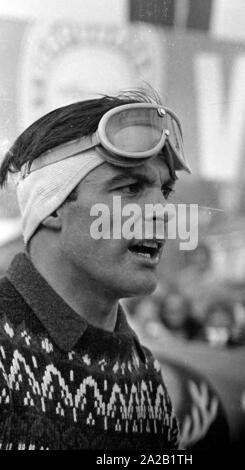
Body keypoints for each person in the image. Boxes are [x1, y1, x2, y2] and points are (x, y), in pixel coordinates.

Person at [0, 91, 191, 450]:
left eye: (164, 190)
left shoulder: (144, 375)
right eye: (130, 187)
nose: (162, 211)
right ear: (54, 206)